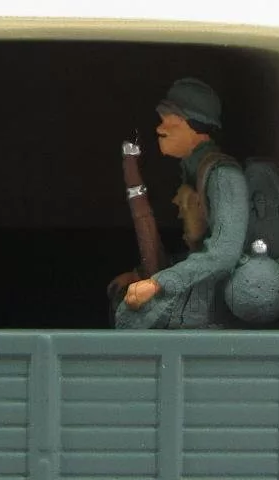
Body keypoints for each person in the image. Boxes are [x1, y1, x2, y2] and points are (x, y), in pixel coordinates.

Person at [114, 77, 249, 329]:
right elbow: (199, 252)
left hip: (216, 297)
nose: (161, 128)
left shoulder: (223, 175)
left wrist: (159, 283)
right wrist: (144, 275)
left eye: (171, 121)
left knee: (132, 316)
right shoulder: (193, 168)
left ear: (197, 126)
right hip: (203, 287)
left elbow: (223, 254)